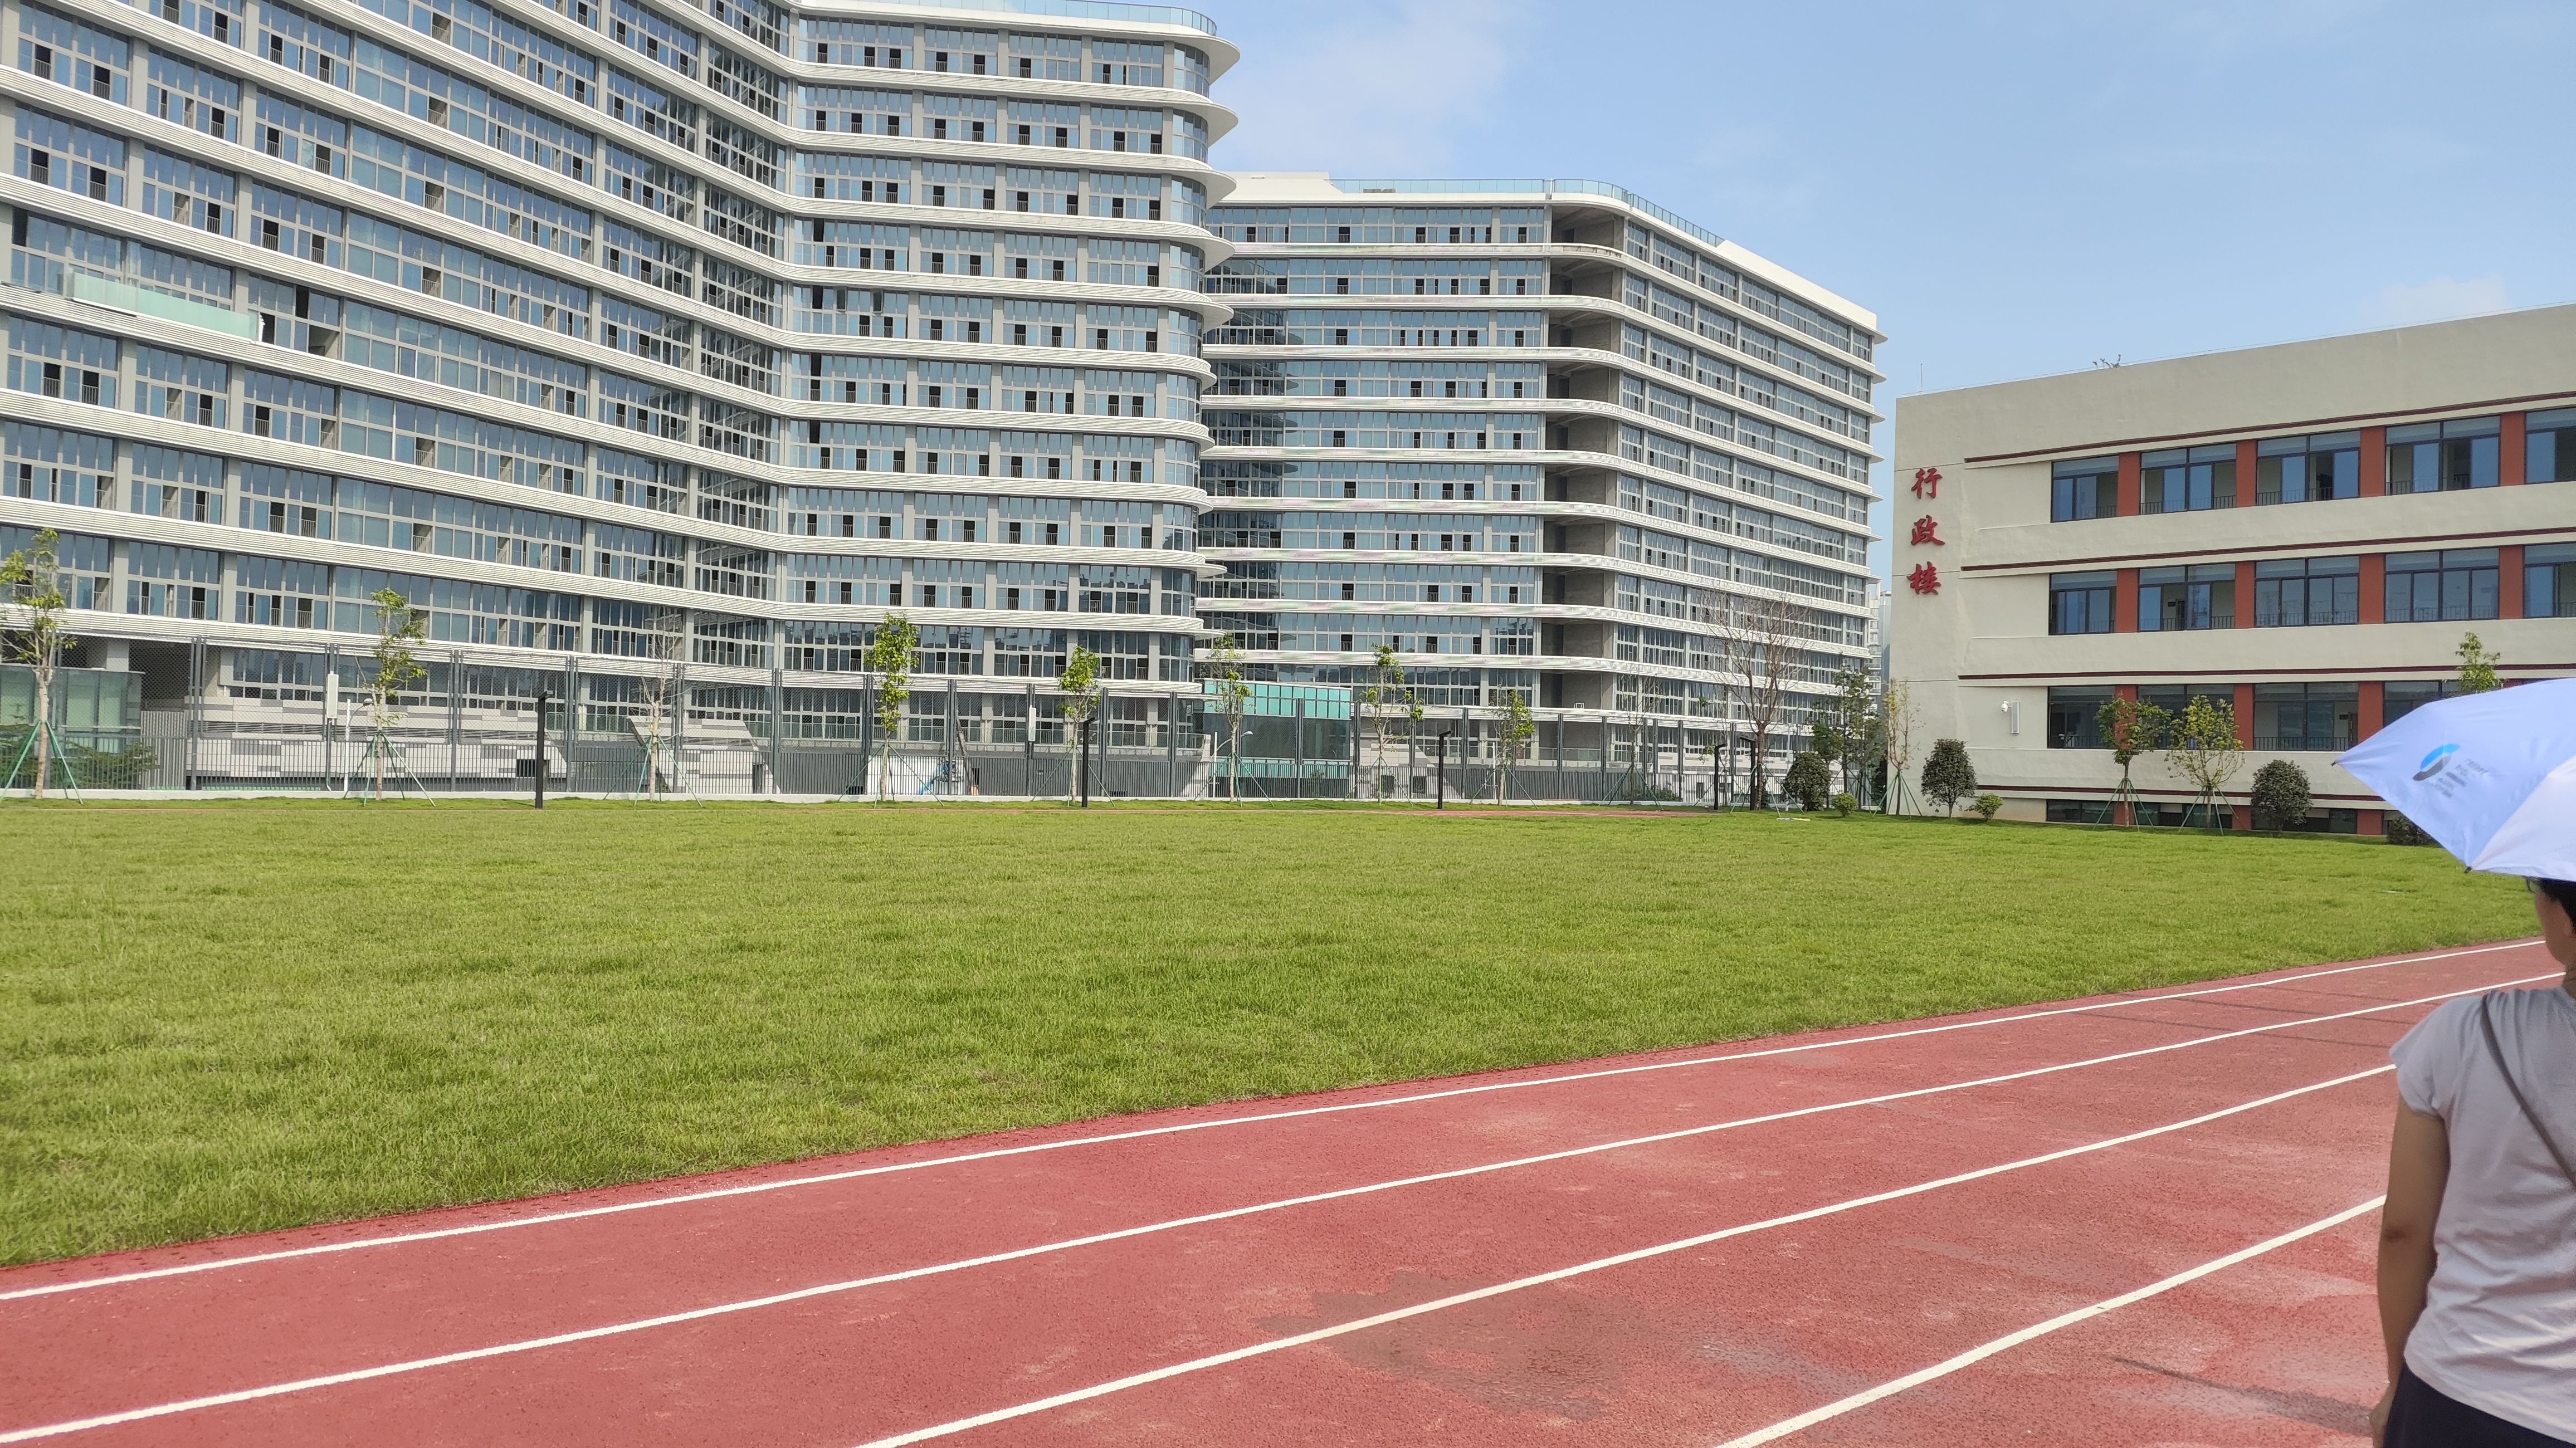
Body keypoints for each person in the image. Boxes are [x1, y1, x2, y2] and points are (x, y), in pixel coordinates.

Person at [2374, 877, 2576, 1446]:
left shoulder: (2464, 1030)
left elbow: (2403, 1230)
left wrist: (2397, 1384)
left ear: (2566, 916)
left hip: (2465, 1384)